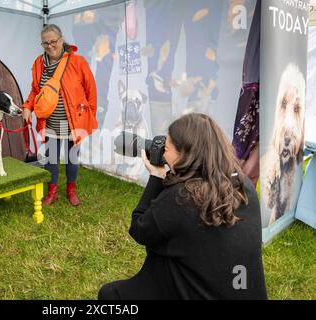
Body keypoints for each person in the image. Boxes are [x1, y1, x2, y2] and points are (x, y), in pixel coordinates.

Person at [98, 113, 267, 299]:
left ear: (185, 155)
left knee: (109, 295)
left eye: (167, 148)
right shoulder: (245, 186)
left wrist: (156, 176)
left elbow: (140, 229)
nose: (163, 152)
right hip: (239, 287)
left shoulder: (182, 198)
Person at [22, 24, 98, 206]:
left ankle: (71, 191)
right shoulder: (38, 64)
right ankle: (52, 192)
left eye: (53, 41)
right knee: (51, 160)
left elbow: (91, 91)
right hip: (50, 123)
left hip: (74, 122)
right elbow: (35, 91)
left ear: (61, 40)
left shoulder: (78, 62)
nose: (50, 46)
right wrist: (28, 107)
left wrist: (89, 116)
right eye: (45, 43)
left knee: (72, 159)